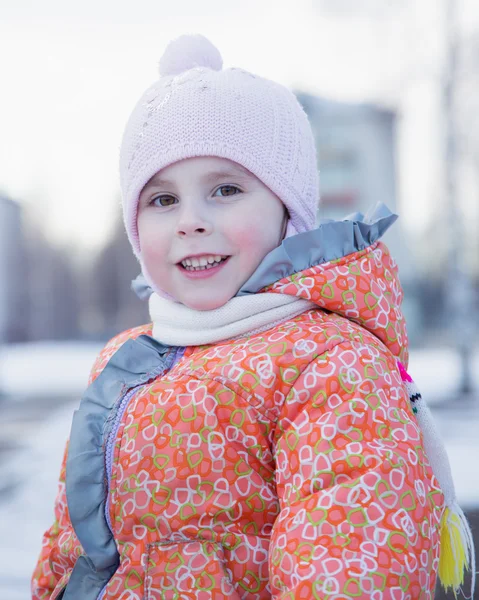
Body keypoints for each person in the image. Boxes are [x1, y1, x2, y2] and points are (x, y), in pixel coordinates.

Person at [32, 34, 475, 600]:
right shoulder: (123, 364)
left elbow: (349, 562)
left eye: (225, 189)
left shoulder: (329, 363)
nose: (190, 220)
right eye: (162, 200)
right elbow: (71, 550)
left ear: (288, 212)